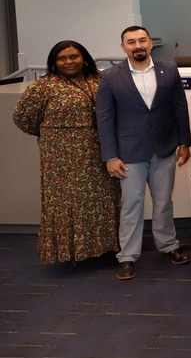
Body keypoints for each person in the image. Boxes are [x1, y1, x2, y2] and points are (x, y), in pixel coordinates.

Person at [97, 26, 191, 281]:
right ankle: (127, 256)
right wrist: (110, 156)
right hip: (129, 152)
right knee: (132, 205)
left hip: (164, 147)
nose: (137, 45)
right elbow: (104, 119)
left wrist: (185, 142)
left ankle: (168, 245)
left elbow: (179, 108)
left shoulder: (168, 70)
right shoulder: (110, 77)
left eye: (142, 40)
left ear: (150, 43)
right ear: (123, 47)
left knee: (164, 202)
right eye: (131, 42)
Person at [13, 40, 119, 265]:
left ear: (84, 58)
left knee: (102, 199)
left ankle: (105, 247)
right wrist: (52, 135)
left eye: (74, 57)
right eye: (62, 58)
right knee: (67, 204)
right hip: (60, 157)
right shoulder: (44, 86)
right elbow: (22, 117)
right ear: (54, 62)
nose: (69, 62)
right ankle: (72, 252)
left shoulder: (99, 79)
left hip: (98, 150)